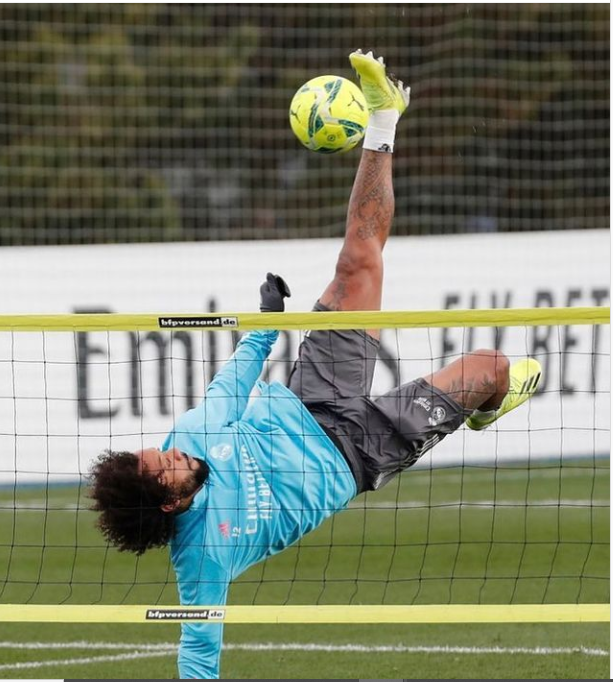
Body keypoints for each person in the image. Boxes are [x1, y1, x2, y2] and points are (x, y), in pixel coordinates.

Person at [89, 50, 542, 679]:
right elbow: (199, 648)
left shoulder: (190, 437)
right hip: (360, 452)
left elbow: (233, 382)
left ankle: (382, 120)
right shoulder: (202, 560)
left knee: (358, 261)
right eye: (162, 468)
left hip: (311, 393)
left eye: (155, 452)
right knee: (491, 369)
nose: (168, 452)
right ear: (165, 504)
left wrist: (267, 319)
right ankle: (491, 404)